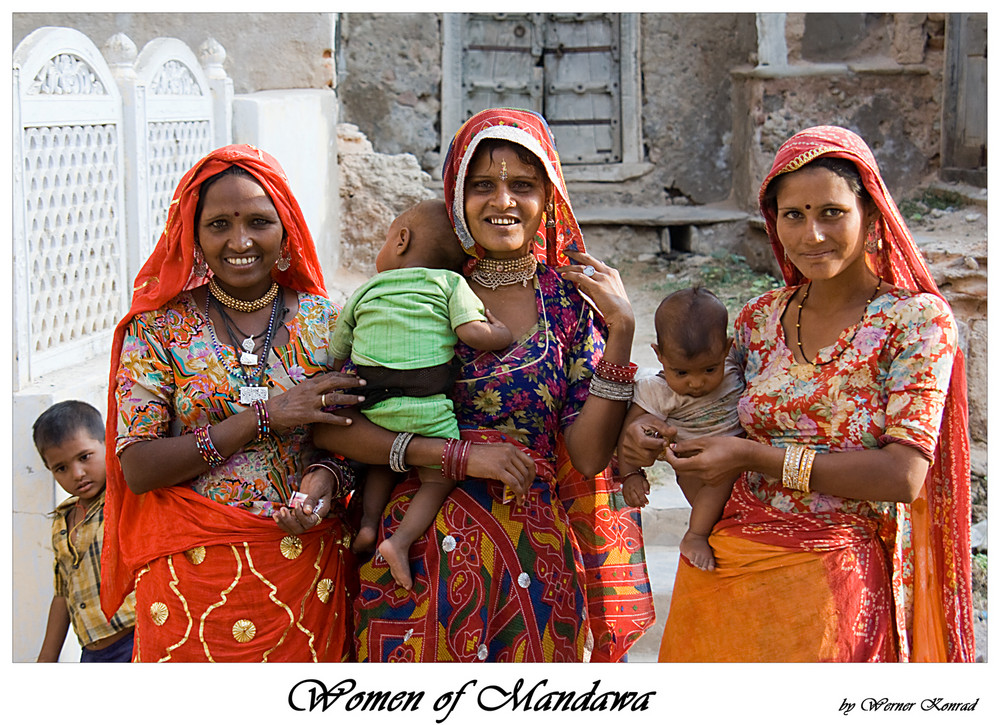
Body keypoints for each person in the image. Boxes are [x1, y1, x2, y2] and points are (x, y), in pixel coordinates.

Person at [621, 126, 975, 662]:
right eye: (794, 215)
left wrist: (751, 455)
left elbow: (902, 476)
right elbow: (702, 409)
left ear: (872, 215)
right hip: (726, 557)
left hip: (837, 571)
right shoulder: (759, 319)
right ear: (774, 223)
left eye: (831, 212)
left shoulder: (916, 320)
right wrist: (643, 435)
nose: (812, 234)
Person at [316, 108, 653, 662]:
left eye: (522, 185)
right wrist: (459, 457)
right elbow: (343, 425)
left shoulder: (570, 304)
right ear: (455, 195)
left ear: (549, 197)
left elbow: (588, 457)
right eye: (482, 186)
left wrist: (622, 333)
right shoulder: (420, 288)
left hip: (533, 559)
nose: (502, 201)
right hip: (417, 560)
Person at [101, 144, 366, 662]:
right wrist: (264, 416)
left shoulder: (328, 322)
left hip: (304, 571)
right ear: (193, 237)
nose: (239, 241)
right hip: (188, 581)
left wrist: (326, 481)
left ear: (285, 229)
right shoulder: (158, 329)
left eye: (259, 222)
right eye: (219, 224)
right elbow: (137, 467)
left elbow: (352, 438)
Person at [330, 198, 512, 590]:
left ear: (401, 240)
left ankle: (366, 525)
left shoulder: (365, 290)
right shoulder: (450, 283)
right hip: (428, 407)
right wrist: (502, 333)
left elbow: (337, 350)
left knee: (379, 461)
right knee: (437, 478)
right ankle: (400, 540)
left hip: (374, 404)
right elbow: (472, 333)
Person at [616, 287, 743, 570]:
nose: (696, 383)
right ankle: (694, 536)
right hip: (695, 464)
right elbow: (631, 430)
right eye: (682, 373)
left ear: (727, 348)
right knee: (714, 497)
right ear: (659, 355)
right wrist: (631, 475)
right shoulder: (657, 390)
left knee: (725, 520)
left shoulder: (735, 367)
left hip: (741, 457)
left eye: (709, 370)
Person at [33, 400, 136, 662]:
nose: (77, 474)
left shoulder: (126, 499)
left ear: (107, 444)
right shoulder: (61, 520)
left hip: (136, 641)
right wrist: (47, 657)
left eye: (84, 457)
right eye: (61, 468)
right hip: (91, 653)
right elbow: (62, 594)